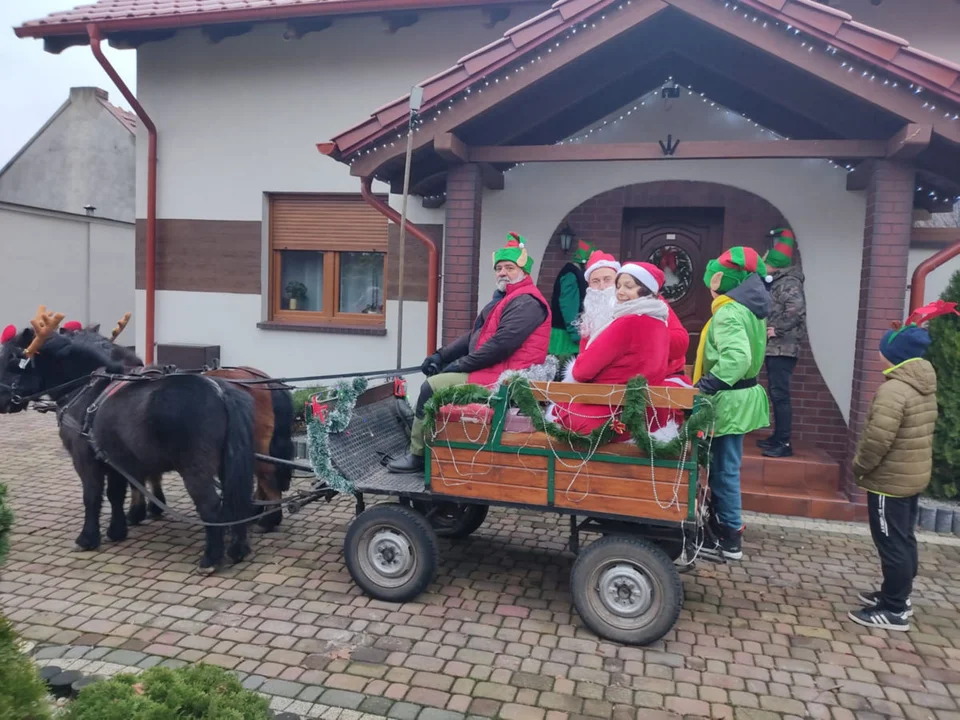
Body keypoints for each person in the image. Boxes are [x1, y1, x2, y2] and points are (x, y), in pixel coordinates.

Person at [387, 233, 551, 473]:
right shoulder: (506, 298)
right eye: (499, 268)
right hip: (495, 370)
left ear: (524, 272)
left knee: (430, 387)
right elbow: (475, 335)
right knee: (436, 380)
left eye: (509, 267)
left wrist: (459, 365)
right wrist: (441, 356)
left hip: (505, 377)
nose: (502, 272)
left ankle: (419, 455)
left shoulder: (526, 302)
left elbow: (500, 346)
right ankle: (432, 444)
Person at [847, 304, 951, 630]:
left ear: (894, 356)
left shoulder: (894, 390)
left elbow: (878, 440)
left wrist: (860, 467)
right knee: (903, 539)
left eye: (882, 349)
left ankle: (894, 610)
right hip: (910, 476)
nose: (878, 353)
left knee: (891, 542)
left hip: (888, 482)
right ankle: (897, 595)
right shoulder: (921, 384)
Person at [694, 247, 771, 560]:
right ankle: (724, 526)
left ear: (718, 281)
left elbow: (738, 358)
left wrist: (708, 383)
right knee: (723, 466)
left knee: (724, 469)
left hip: (727, 399)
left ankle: (730, 537)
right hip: (738, 398)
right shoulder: (746, 308)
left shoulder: (728, 311)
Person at [550, 262, 669, 438]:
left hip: (610, 416)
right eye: (619, 285)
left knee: (557, 412)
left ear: (646, 290)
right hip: (645, 417)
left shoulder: (626, 323)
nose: (620, 292)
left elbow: (582, 371)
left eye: (629, 286)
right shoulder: (660, 323)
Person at [759, 227, 807, 458]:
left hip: (783, 347)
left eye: (765, 263)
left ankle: (784, 443)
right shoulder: (779, 281)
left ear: (774, 265)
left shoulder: (788, 283)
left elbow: (796, 310)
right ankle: (777, 437)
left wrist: (775, 329)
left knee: (780, 394)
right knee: (776, 393)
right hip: (777, 347)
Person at [548, 240, 594, 358]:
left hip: (565, 333)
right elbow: (568, 306)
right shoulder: (571, 275)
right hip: (565, 338)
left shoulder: (571, 273)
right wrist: (575, 333)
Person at [572, 250, 620, 353]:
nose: (602, 287)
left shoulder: (630, 311)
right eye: (595, 281)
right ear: (589, 285)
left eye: (607, 280)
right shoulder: (588, 319)